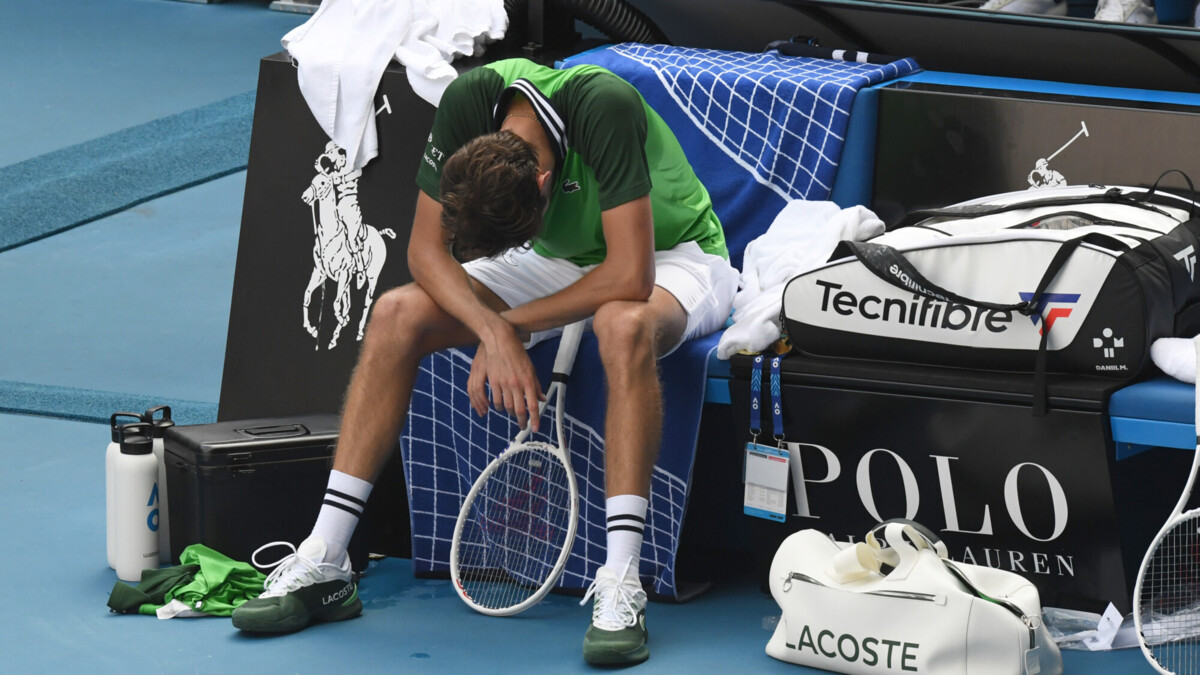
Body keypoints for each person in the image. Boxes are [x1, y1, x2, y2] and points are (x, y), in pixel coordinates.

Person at [231, 57, 739, 666]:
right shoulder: (472, 98)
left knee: (621, 325)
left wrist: (509, 326)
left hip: (672, 253)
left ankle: (622, 578)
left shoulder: (605, 104)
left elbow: (630, 276)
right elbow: (424, 251)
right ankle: (327, 557)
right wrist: (490, 332)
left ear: (544, 183)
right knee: (397, 314)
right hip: (555, 257)